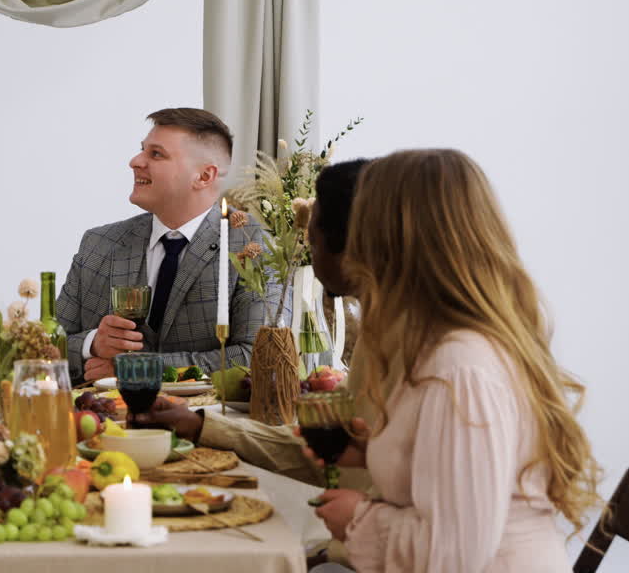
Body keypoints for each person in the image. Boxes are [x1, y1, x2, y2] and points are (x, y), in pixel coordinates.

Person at [311, 149, 601, 571]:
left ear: (390, 245)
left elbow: (451, 559)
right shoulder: (437, 348)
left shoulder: (459, 367)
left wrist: (359, 518)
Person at [132, 158, 371, 482]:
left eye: (312, 241)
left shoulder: (430, 359)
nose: (309, 259)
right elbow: (321, 454)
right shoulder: (378, 338)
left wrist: (363, 514)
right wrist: (201, 425)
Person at [57, 108, 283, 385]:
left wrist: (139, 368)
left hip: (204, 423)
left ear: (204, 176)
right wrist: (91, 344)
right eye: (142, 150)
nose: (135, 161)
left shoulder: (252, 245)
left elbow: (257, 355)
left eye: (156, 154)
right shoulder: (98, 244)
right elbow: (44, 349)